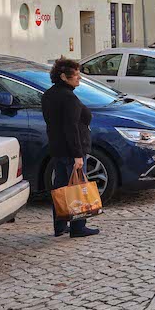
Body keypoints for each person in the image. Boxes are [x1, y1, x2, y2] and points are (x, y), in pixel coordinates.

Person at [41, 58, 100, 238]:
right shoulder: (69, 98)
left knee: (60, 188)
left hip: (57, 148)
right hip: (71, 150)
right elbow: (71, 128)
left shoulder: (49, 95)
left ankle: (60, 225)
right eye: (76, 76)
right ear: (64, 77)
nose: (79, 79)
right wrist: (77, 155)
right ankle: (78, 227)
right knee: (76, 187)